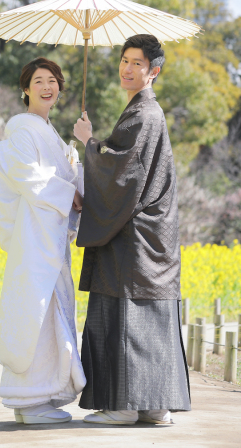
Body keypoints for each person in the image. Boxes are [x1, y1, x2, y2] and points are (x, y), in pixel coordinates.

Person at [73, 34, 190, 425]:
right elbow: (125, 162)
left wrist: (89, 144)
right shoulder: (143, 112)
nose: (127, 68)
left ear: (153, 71)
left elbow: (123, 173)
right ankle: (155, 407)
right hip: (153, 238)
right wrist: (101, 147)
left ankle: (123, 407)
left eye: (137, 63)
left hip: (134, 238)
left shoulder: (144, 113)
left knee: (125, 317)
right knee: (150, 320)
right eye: (124, 60)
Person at [0, 57, 86, 425]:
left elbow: (56, 180)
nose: (48, 87)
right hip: (35, 240)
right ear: (25, 89)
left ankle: (43, 394)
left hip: (49, 241)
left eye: (54, 81)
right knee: (37, 314)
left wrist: (75, 156)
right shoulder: (25, 131)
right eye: (39, 81)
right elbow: (26, 176)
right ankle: (28, 400)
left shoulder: (49, 132)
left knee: (50, 314)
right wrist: (68, 192)